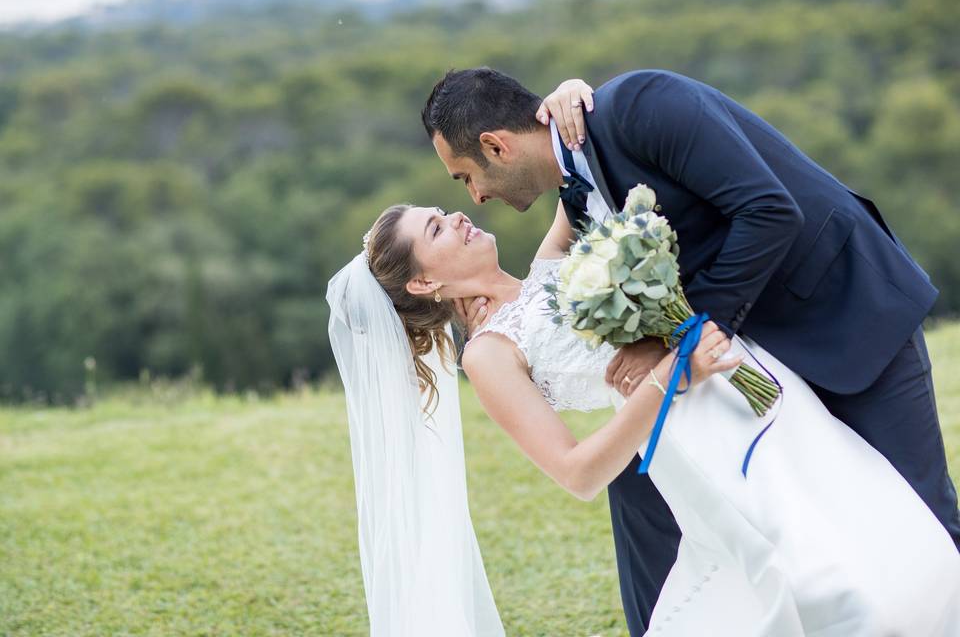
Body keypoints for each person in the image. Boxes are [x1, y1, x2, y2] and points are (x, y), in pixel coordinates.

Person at [420, 67, 960, 634]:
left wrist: (673, 342)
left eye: (464, 177)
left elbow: (769, 211)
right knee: (812, 562)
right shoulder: (574, 195)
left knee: (921, 523)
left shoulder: (641, 105)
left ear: (495, 145)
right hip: (745, 380)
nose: (475, 197)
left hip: (845, 312)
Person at [327, 204, 960, 635]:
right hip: (695, 451)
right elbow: (577, 473)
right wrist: (668, 379)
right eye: (435, 229)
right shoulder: (490, 353)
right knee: (819, 583)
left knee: (880, 538)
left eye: (444, 211)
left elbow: (570, 181)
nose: (457, 216)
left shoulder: (551, 270)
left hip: (758, 403)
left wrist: (569, 96)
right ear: (421, 286)